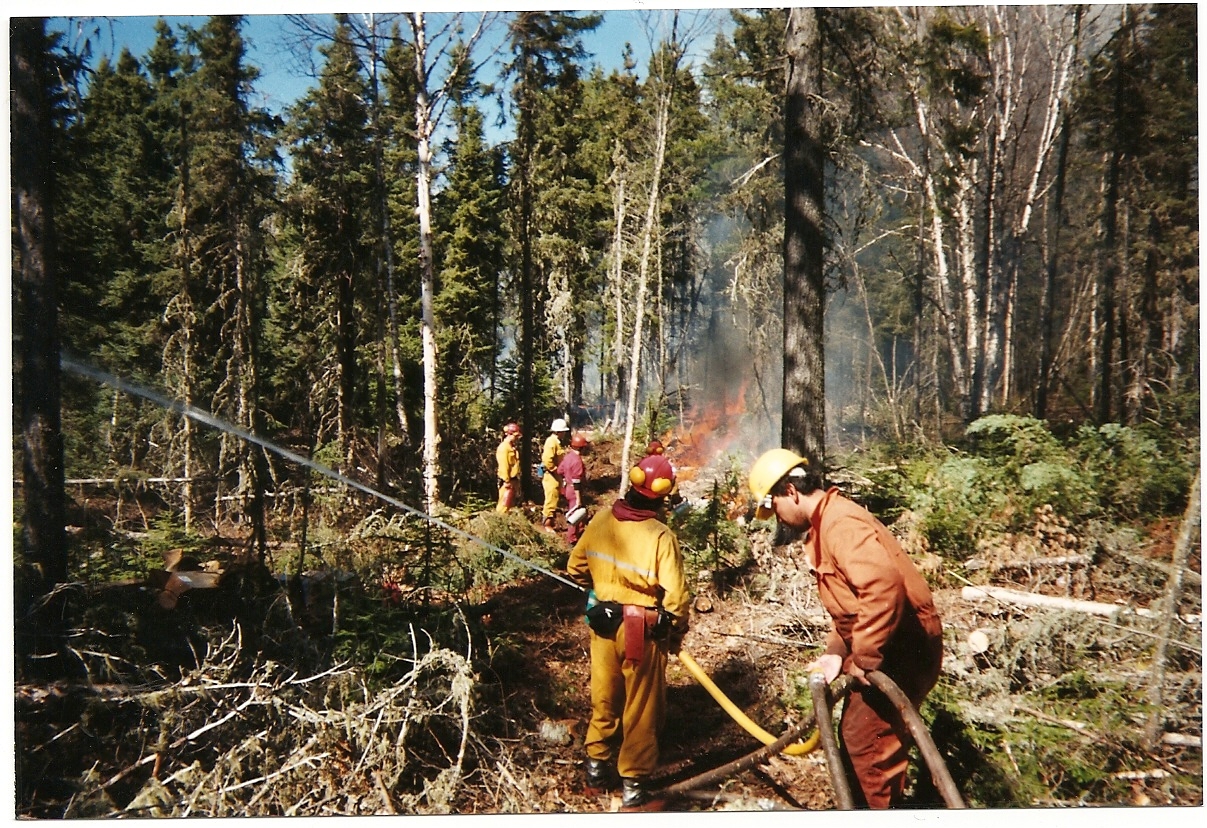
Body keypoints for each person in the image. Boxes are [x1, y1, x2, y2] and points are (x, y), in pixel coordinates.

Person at [747, 448, 944, 809]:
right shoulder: (826, 523)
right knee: (866, 736)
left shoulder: (839, 524)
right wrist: (835, 654)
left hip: (903, 646)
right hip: (892, 641)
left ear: (790, 492)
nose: (778, 518)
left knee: (865, 740)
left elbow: (882, 586)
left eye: (775, 507)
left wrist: (865, 656)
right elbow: (853, 606)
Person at [566, 453, 690, 812]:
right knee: (641, 707)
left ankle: (595, 773)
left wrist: (602, 589)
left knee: (605, 697)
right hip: (642, 632)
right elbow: (677, 597)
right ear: (663, 495)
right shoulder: (660, 535)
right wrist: (675, 629)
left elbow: (575, 567)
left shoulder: (601, 520)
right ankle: (634, 790)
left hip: (604, 625)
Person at [558, 432, 590, 545]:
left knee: (580, 513)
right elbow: (577, 481)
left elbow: (560, 471)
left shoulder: (568, 457)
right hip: (574, 490)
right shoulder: (577, 461)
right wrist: (578, 498)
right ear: (582, 448)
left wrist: (566, 479)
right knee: (574, 514)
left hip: (568, 487)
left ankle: (580, 532)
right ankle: (572, 539)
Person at [541, 418, 571, 531]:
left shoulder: (556, 442)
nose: (564, 434)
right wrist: (555, 470)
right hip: (551, 476)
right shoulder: (551, 442)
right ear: (559, 431)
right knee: (551, 500)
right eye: (563, 432)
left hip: (555, 476)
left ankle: (550, 523)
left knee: (554, 499)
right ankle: (547, 525)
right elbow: (547, 460)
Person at [495, 422, 523, 513]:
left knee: (510, 504)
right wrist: (506, 481)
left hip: (513, 480)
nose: (517, 438)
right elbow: (504, 466)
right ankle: (500, 520)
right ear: (509, 434)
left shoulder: (512, 447)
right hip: (507, 481)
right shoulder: (504, 448)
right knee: (504, 505)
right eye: (516, 436)